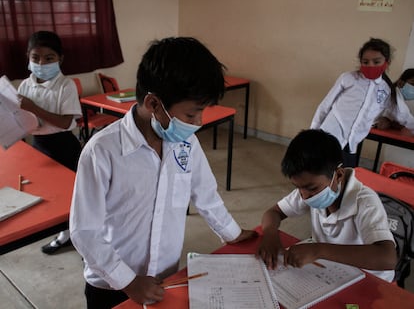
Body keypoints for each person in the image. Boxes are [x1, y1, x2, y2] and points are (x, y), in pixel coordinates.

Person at [69, 37, 257, 308]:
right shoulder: (103, 151)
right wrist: (128, 281)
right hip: (112, 285)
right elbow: (85, 230)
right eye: (192, 115)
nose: (199, 123)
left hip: (165, 278)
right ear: (154, 104)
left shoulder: (186, 143)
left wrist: (232, 233)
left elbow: (206, 194)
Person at [257, 129, 397, 283]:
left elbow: (387, 258)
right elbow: (273, 212)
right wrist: (270, 234)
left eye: (311, 188)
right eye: (298, 187)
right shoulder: (310, 189)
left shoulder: (365, 202)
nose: (304, 196)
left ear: (338, 175)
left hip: (370, 280)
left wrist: (319, 250)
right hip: (331, 271)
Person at [17, 31, 82, 254]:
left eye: (49, 58)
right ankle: (64, 233)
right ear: (28, 56)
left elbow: (65, 123)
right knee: (48, 194)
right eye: (35, 58)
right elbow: (20, 118)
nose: (41, 63)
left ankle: (80, 237)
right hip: (38, 146)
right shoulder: (25, 85)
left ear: (60, 59)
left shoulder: (66, 85)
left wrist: (33, 108)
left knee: (72, 196)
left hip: (64, 146)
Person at [310, 38, 411, 167]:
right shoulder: (348, 78)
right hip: (328, 136)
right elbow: (325, 106)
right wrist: (312, 133)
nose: (371, 66)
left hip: (351, 146)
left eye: (376, 62)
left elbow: (403, 115)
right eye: (365, 62)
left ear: (387, 62)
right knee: (318, 174)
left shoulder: (386, 90)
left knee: (344, 180)